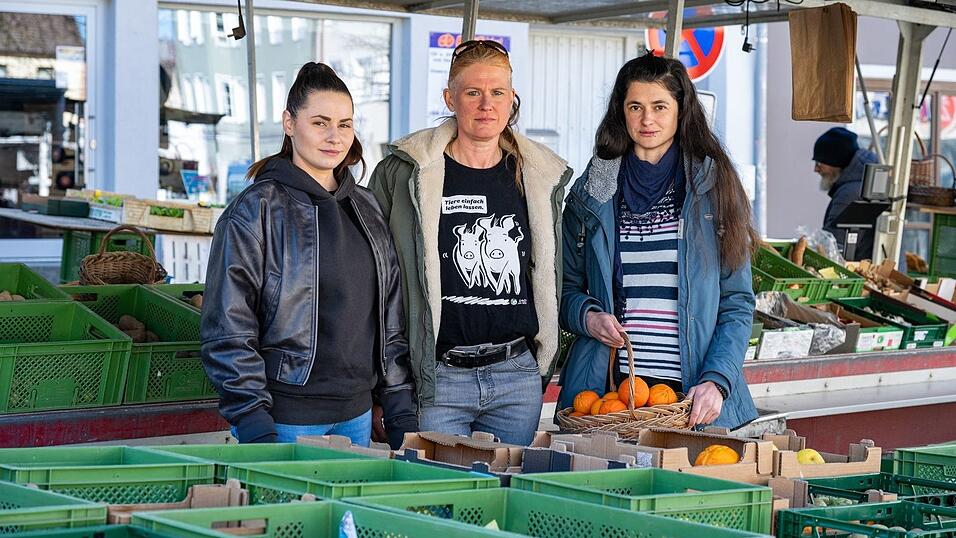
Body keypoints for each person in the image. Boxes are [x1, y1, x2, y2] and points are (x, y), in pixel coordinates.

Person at [200, 62, 418, 448]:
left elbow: (390, 314)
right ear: (289, 123)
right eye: (320, 123)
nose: (335, 137)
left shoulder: (367, 207)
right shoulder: (256, 210)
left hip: (357, 416)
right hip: (284, 418)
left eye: (345, 124)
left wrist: (397, 400)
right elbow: (227, 326)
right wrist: (251, 415)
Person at [369, 40, 573, 446]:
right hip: (438, 376)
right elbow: (375, 281)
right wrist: (383, 387)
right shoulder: (404, 172)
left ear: (512, 99)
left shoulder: (537, 176)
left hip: (516, 377)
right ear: (450, 98)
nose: (486, 105)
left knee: (505, 500)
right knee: (436, 502)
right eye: (473, 93)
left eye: (498, 93)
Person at [557, 52, 759, 430]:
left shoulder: (715, 189)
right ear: (621, 111)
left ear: (682, 111)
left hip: (694, 397)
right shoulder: (590, 194)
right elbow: (563, 289)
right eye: (635, 106)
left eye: (659, 106)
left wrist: (717, 380)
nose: (647, 119)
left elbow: (737, 301)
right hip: (610, 398)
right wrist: (587, 316)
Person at [813, 127, 879, 260]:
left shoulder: (849, 195)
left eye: (820, 162)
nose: (816, 169)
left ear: (836, 162)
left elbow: (833, 249)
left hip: (861, 274)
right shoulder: (864, 185)